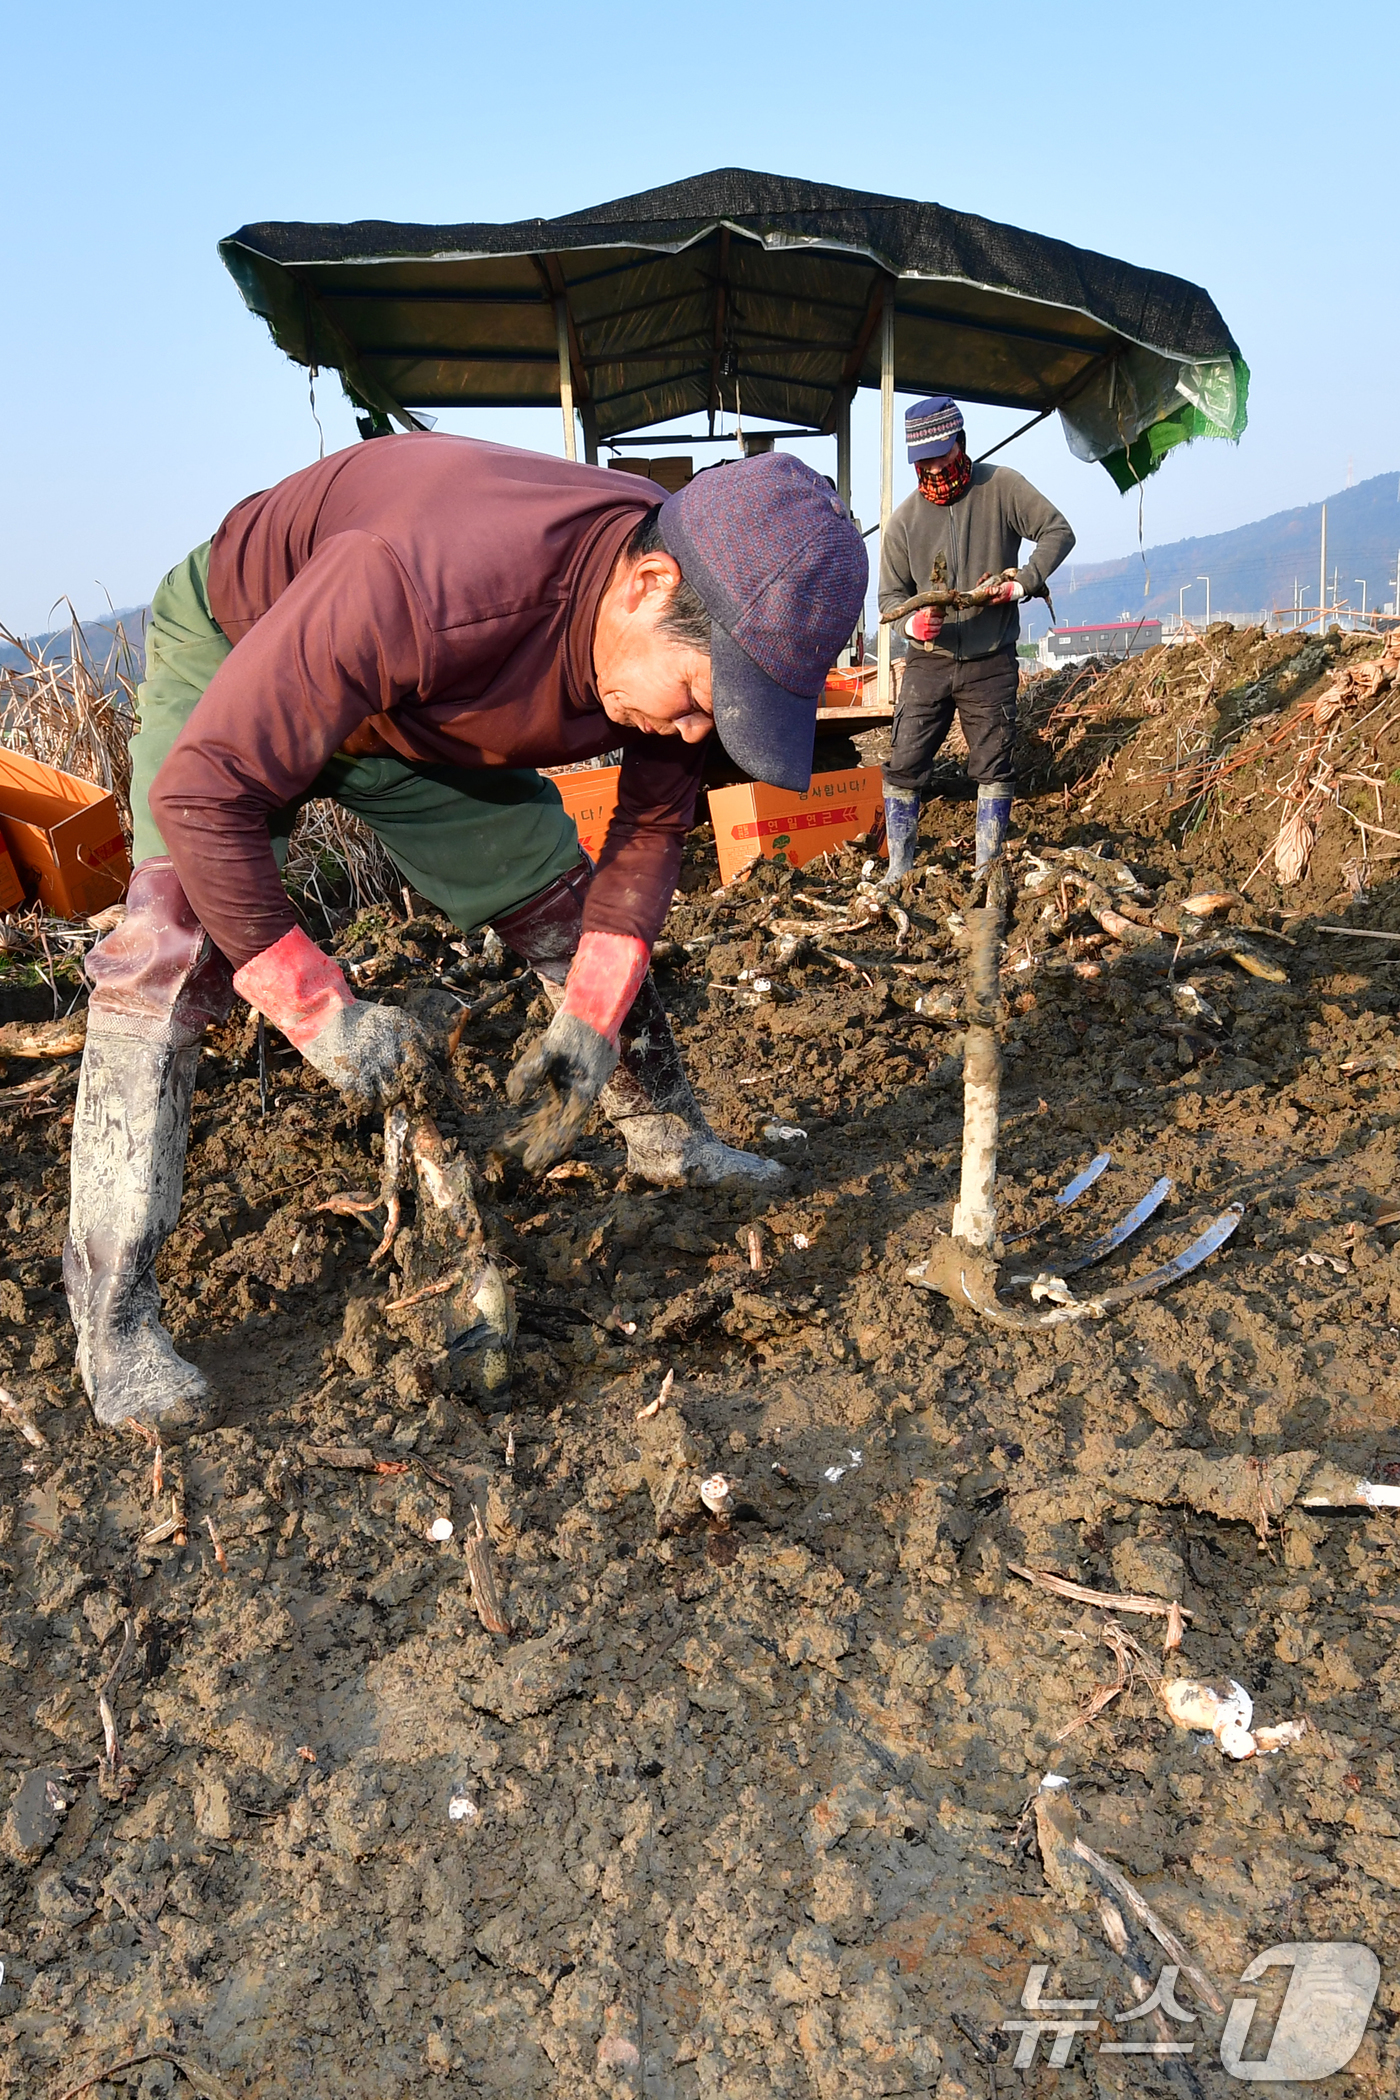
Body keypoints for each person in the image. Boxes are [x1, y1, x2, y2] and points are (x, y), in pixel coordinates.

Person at [66, 438, 866, 1437]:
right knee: (171, 946)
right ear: (644, 585)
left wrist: (589, 1021)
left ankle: (668, 1137)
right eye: (701, 698)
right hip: (251, 640)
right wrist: (321, 1014)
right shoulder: (426, 580)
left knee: (560, 903)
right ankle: (115, 1321)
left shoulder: (678, 617)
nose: (697, 733)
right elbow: (203, 790)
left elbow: (651, 832)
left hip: (419, 720)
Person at [878, 397, 1073, 877]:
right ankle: (899, 867)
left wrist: (1023, 582)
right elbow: (888, 598)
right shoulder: (903, 521)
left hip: (990, 661)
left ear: (960, 444)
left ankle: (989, 866)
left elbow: (1057, 531)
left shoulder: (1000, 487)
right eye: (922, 462)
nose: (932, 469)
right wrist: (911, 624)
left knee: (993, 763)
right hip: (928, 662)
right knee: (904, 762)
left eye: (940, 457)